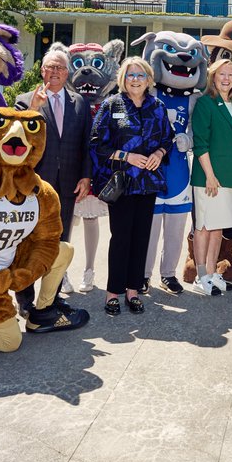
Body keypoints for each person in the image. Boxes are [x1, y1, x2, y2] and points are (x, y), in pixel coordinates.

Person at [90, 57, 174, 316]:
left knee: (141, 239)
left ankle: (133, 291)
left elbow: (168, 138)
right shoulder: (111, 105)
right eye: (130, 75)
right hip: (122, 183)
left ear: (149, 79)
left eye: (140, 75)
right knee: (121, 238)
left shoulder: (158, 107)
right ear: (122, 79)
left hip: (147, 184)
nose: (135, 79)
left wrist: (159, 153)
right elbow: (96, 143)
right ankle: (112, 293)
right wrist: (127, 157)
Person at [14, 48, 93, 312]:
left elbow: (86, 144)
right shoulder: (25, 101)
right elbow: (16, 140)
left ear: (67, 72)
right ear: (41, 70)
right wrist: (34, 109)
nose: (55, 72)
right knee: (27, 240)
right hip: (32, 186)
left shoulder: (79, 102)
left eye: (60, 67)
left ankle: (52, 296)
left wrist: (86, 176)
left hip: (68, 184)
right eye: (50, 67)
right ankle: (25, 299)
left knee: (59, 242)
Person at [190, 58, 232, 296]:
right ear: (213, 77)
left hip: (231, 177)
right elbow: (201, 143)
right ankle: (201, 276)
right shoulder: (205, 103)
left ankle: (212, 274)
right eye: (222, 74)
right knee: (203, 227)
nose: (226, 79)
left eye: (231, 75)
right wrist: (210, 176)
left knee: (218, 229)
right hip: (209, 178)